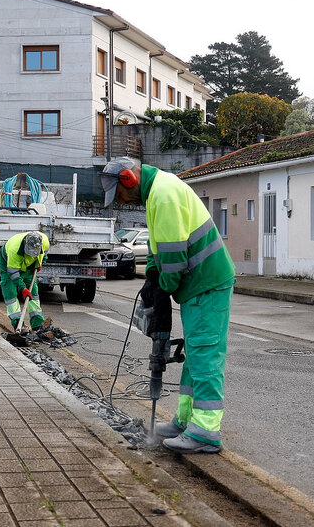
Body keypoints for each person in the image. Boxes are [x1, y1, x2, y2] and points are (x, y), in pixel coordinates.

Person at [100, 157, 235, 454]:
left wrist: (164, 286)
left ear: (128, 180)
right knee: (195, 357)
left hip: (207, 283)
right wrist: (151, 273)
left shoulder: (163, 194)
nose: (120, 201)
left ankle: (206, 432)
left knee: (205, 354)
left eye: (119, 194)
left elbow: (174, 256)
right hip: (197, 285)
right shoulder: (155, 194)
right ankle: (186, 421)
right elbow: (157, 247)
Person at [0, 231, 50, 330]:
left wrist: (42, 261)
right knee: (10, 292)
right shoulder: (14, 250)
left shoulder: (44, 241)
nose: (31, 255)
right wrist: (23, 289)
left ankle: (37, 324)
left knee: (33, 294)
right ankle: (18, 323)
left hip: (30, 267)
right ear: (25, 245)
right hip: (8, 266)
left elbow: (46, 252)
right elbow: (13, 274)